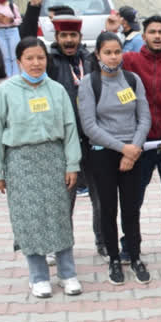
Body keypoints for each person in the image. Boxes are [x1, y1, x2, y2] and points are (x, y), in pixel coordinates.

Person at [0, 37, 82, 297]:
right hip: (19, 162)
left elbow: (69, 129)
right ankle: (38, 276)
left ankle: (67, 273)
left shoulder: (57, 90)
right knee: (28, 219)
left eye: (40, 57)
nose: (35, 63)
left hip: (54, 159)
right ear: (19, 61)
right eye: (29, 58)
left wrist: (72, 163)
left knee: (58, 216)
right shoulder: (6, 92)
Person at [78, 32, 152, 285]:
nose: (113, 57)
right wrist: (123, 149)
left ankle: (135, 256)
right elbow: (89, 126)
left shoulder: (133, 80)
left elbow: (144, 118)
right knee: (108, 210)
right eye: (107, 52)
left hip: (133, 153)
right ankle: (113, 258)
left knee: (131, 209)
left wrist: (134, 148)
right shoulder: (89, 83)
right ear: (98, 54)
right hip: (103, 156)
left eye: (117, 52)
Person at [123, 15, 161, 260]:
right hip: (141, 145)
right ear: (144, 35)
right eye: (152, 32)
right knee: (133, 198)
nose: (157, 36)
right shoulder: (130, 61)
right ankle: (129, 243)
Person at [47, 14, 105, 259]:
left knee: (101, 198)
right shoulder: (50, 62)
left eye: (73, 35)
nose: (69, 40)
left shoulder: (89, 60)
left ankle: (103, 242)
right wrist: (33, 8)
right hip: (64, 143)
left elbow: (110, 57)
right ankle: (61, 246)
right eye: (64, 36)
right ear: (57, 38)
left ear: (80, 38)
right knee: (63, 200)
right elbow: (26, 38)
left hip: (93, 141)